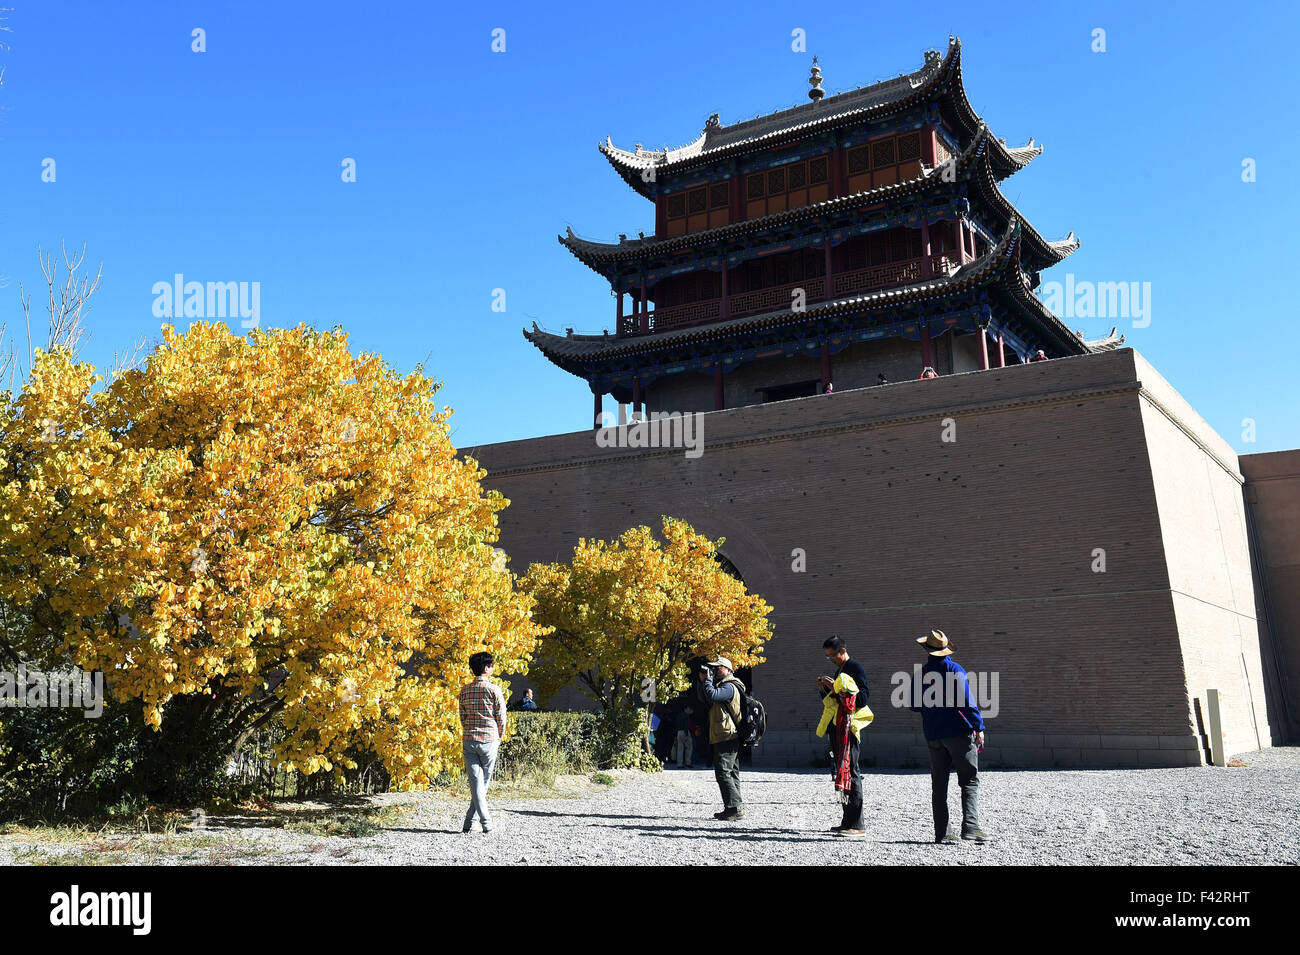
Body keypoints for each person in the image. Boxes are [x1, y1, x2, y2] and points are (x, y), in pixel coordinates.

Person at [908, 630, 992, 844]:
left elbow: (913, 705)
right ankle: (971, 828)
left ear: (927, 650)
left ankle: (943, 833)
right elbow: (968, 703)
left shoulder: (922, 674)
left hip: (933, 734)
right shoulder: (955, 670)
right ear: (945, 650)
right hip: (958, 733)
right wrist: (979, 727)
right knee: (969, 780)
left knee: (939, 785)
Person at [816, 636, 872, 835]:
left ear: (842, 651)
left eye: (832, 655)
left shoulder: (855, 668)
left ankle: (857, 824)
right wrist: (824, 690)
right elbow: (836, 701)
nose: (830, 659)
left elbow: (862, 699)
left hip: (849, 728)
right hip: (837, 727)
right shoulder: (840, 670)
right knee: (842, 773)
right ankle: (847, 821)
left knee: (852, 772)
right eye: (827, 656)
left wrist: (836, 688)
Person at [458, 651, 507, 833]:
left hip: (469, 739)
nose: (493, 668)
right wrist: (499, 736)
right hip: (489, 739)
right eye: (492, 665)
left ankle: (468, 823)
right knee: (482, 783)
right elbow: (501, 717)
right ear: (487, 668)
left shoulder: (464, 691)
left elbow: (462, 717)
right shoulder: (494, 690)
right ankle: (486, 824)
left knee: (476, 783)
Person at [697, 657, 746, 820]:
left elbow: (712, 695)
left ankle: (733, 808)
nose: (715, 671)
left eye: (718, 668)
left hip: (727, 735)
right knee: (731, 772)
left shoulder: (730, 686)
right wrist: (703, 681)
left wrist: (708, 681)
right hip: (725, 734)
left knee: (723, 772)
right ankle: (734, 807)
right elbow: (705, 699)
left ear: (728, 670)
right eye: (713, 668)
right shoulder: (722, 685)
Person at [673, 704, 695, 769]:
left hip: (679, 732)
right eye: (688, 708)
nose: (689, 710)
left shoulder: (678, 715)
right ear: (685, 709)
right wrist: (686, 734)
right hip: (685, 732)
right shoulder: (686, 716)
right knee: (689, 748)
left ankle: (679, 764)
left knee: (680, 748)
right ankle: (688, 762)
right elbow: (686, 725)